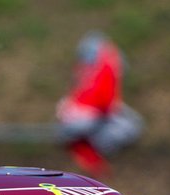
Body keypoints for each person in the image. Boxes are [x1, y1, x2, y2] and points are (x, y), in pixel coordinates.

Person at [56, 32, 143, 177]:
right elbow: (104, 100)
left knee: (126, 122)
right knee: (131, 126)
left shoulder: (88, 67)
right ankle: (99, 157)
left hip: (77, 113)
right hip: (87, 115)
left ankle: (92, 161)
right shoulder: (109, 65)